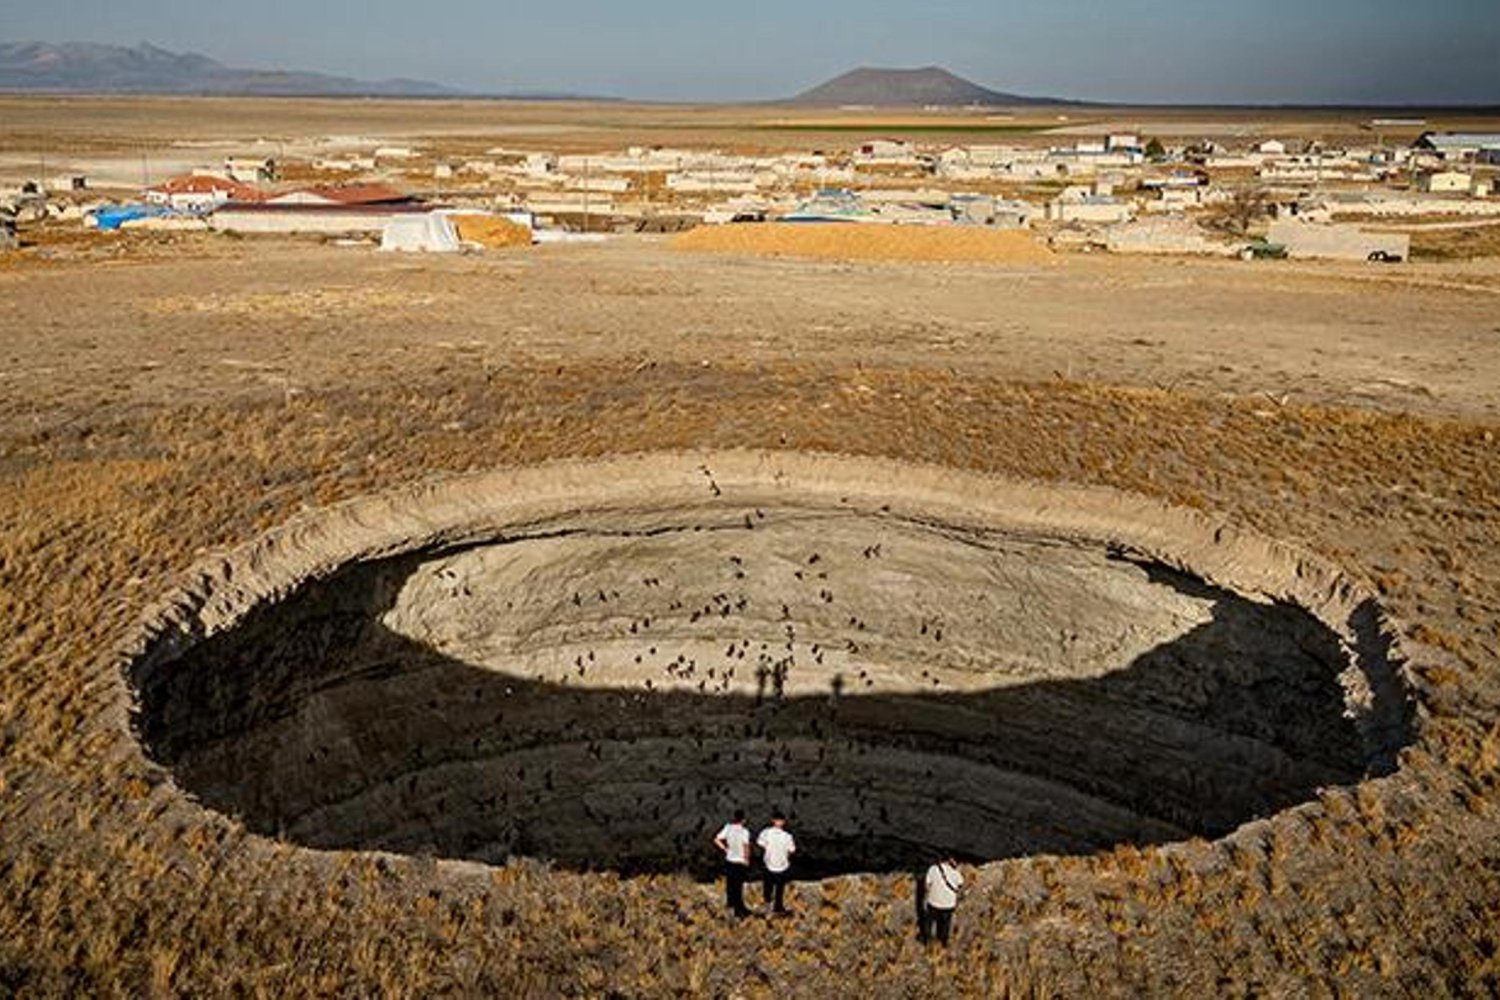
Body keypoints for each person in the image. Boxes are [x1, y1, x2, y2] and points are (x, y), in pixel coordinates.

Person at [713, 808, 753, 917]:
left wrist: (725, 849)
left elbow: (716, 839)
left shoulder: (728, 828)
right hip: (740, 861)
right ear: (743, 820)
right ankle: (739, 909)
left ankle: (730, 905)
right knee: (738, 886)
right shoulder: (744, 831)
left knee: (730, 884)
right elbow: (746, 846)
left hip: (729, 859)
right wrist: (747, 859)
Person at [756, 810, 796, 915]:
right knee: (780, 888)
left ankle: (767, 904)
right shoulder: (787, 836)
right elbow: (792, 850)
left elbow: (760, 842)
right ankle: (778, 906)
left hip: (769, 862)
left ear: (773, 821)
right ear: (783, 822)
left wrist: (768, 848)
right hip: (782, 864)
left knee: (768, 885)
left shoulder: (766, 832)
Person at [922, 855, 964, 946]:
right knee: (945, 924)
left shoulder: (933, 869)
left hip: (933, 902)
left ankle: (926, 940)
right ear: (950, 860)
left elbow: (927, 885)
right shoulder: (955, 873)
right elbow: (960, 884)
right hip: (948, 904)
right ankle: (943, 942)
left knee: (929, 922)